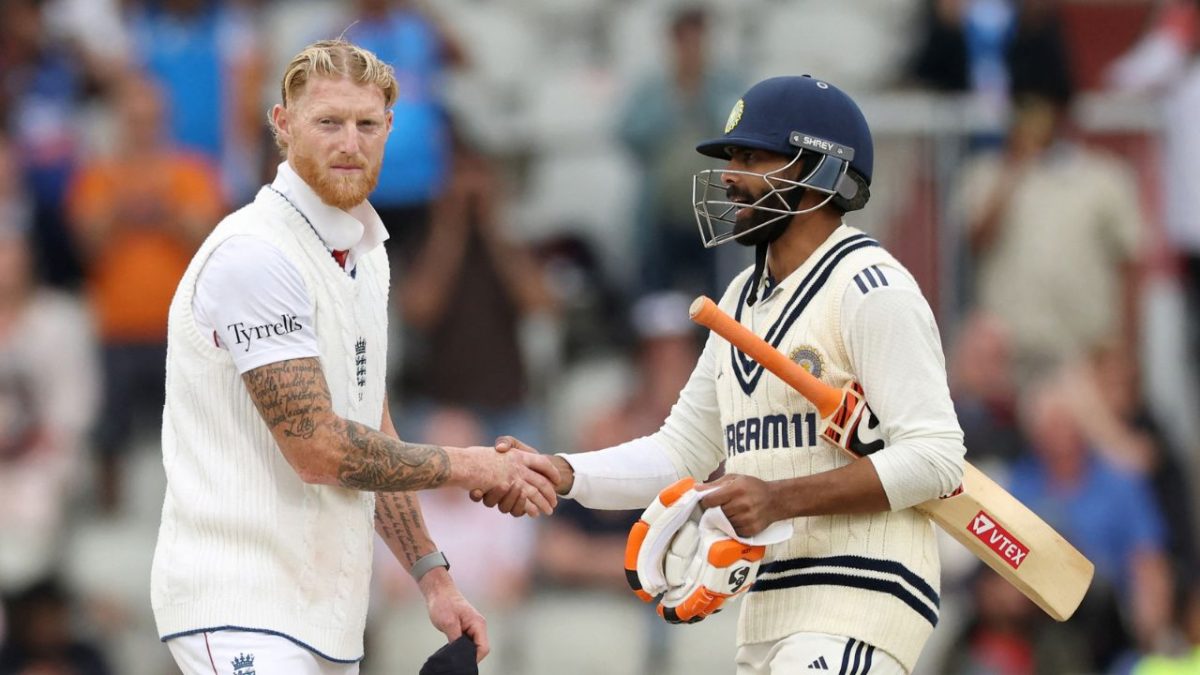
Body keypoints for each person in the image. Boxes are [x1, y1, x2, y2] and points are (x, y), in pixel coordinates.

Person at [478, 76, 967, 674]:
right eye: (730, 157)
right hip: (766, 607)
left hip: (858, 594)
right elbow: (679, 452)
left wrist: (779, 498)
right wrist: (562, 471)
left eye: (750, 157)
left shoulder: (871, 287)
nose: (730, 175)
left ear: (815, 171)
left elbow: (937, 457)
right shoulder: (738, 300)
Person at [148, 39, 560, 675]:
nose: (350, 142)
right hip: (239, 605)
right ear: (283, 126)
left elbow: (367, 424)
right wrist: (469, 465)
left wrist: (431, 573)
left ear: (390, 128)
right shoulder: (255, 253)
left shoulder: (367, 255)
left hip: (323, 616)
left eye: (367, 124)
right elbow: (319, 448)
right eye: (328, 122)